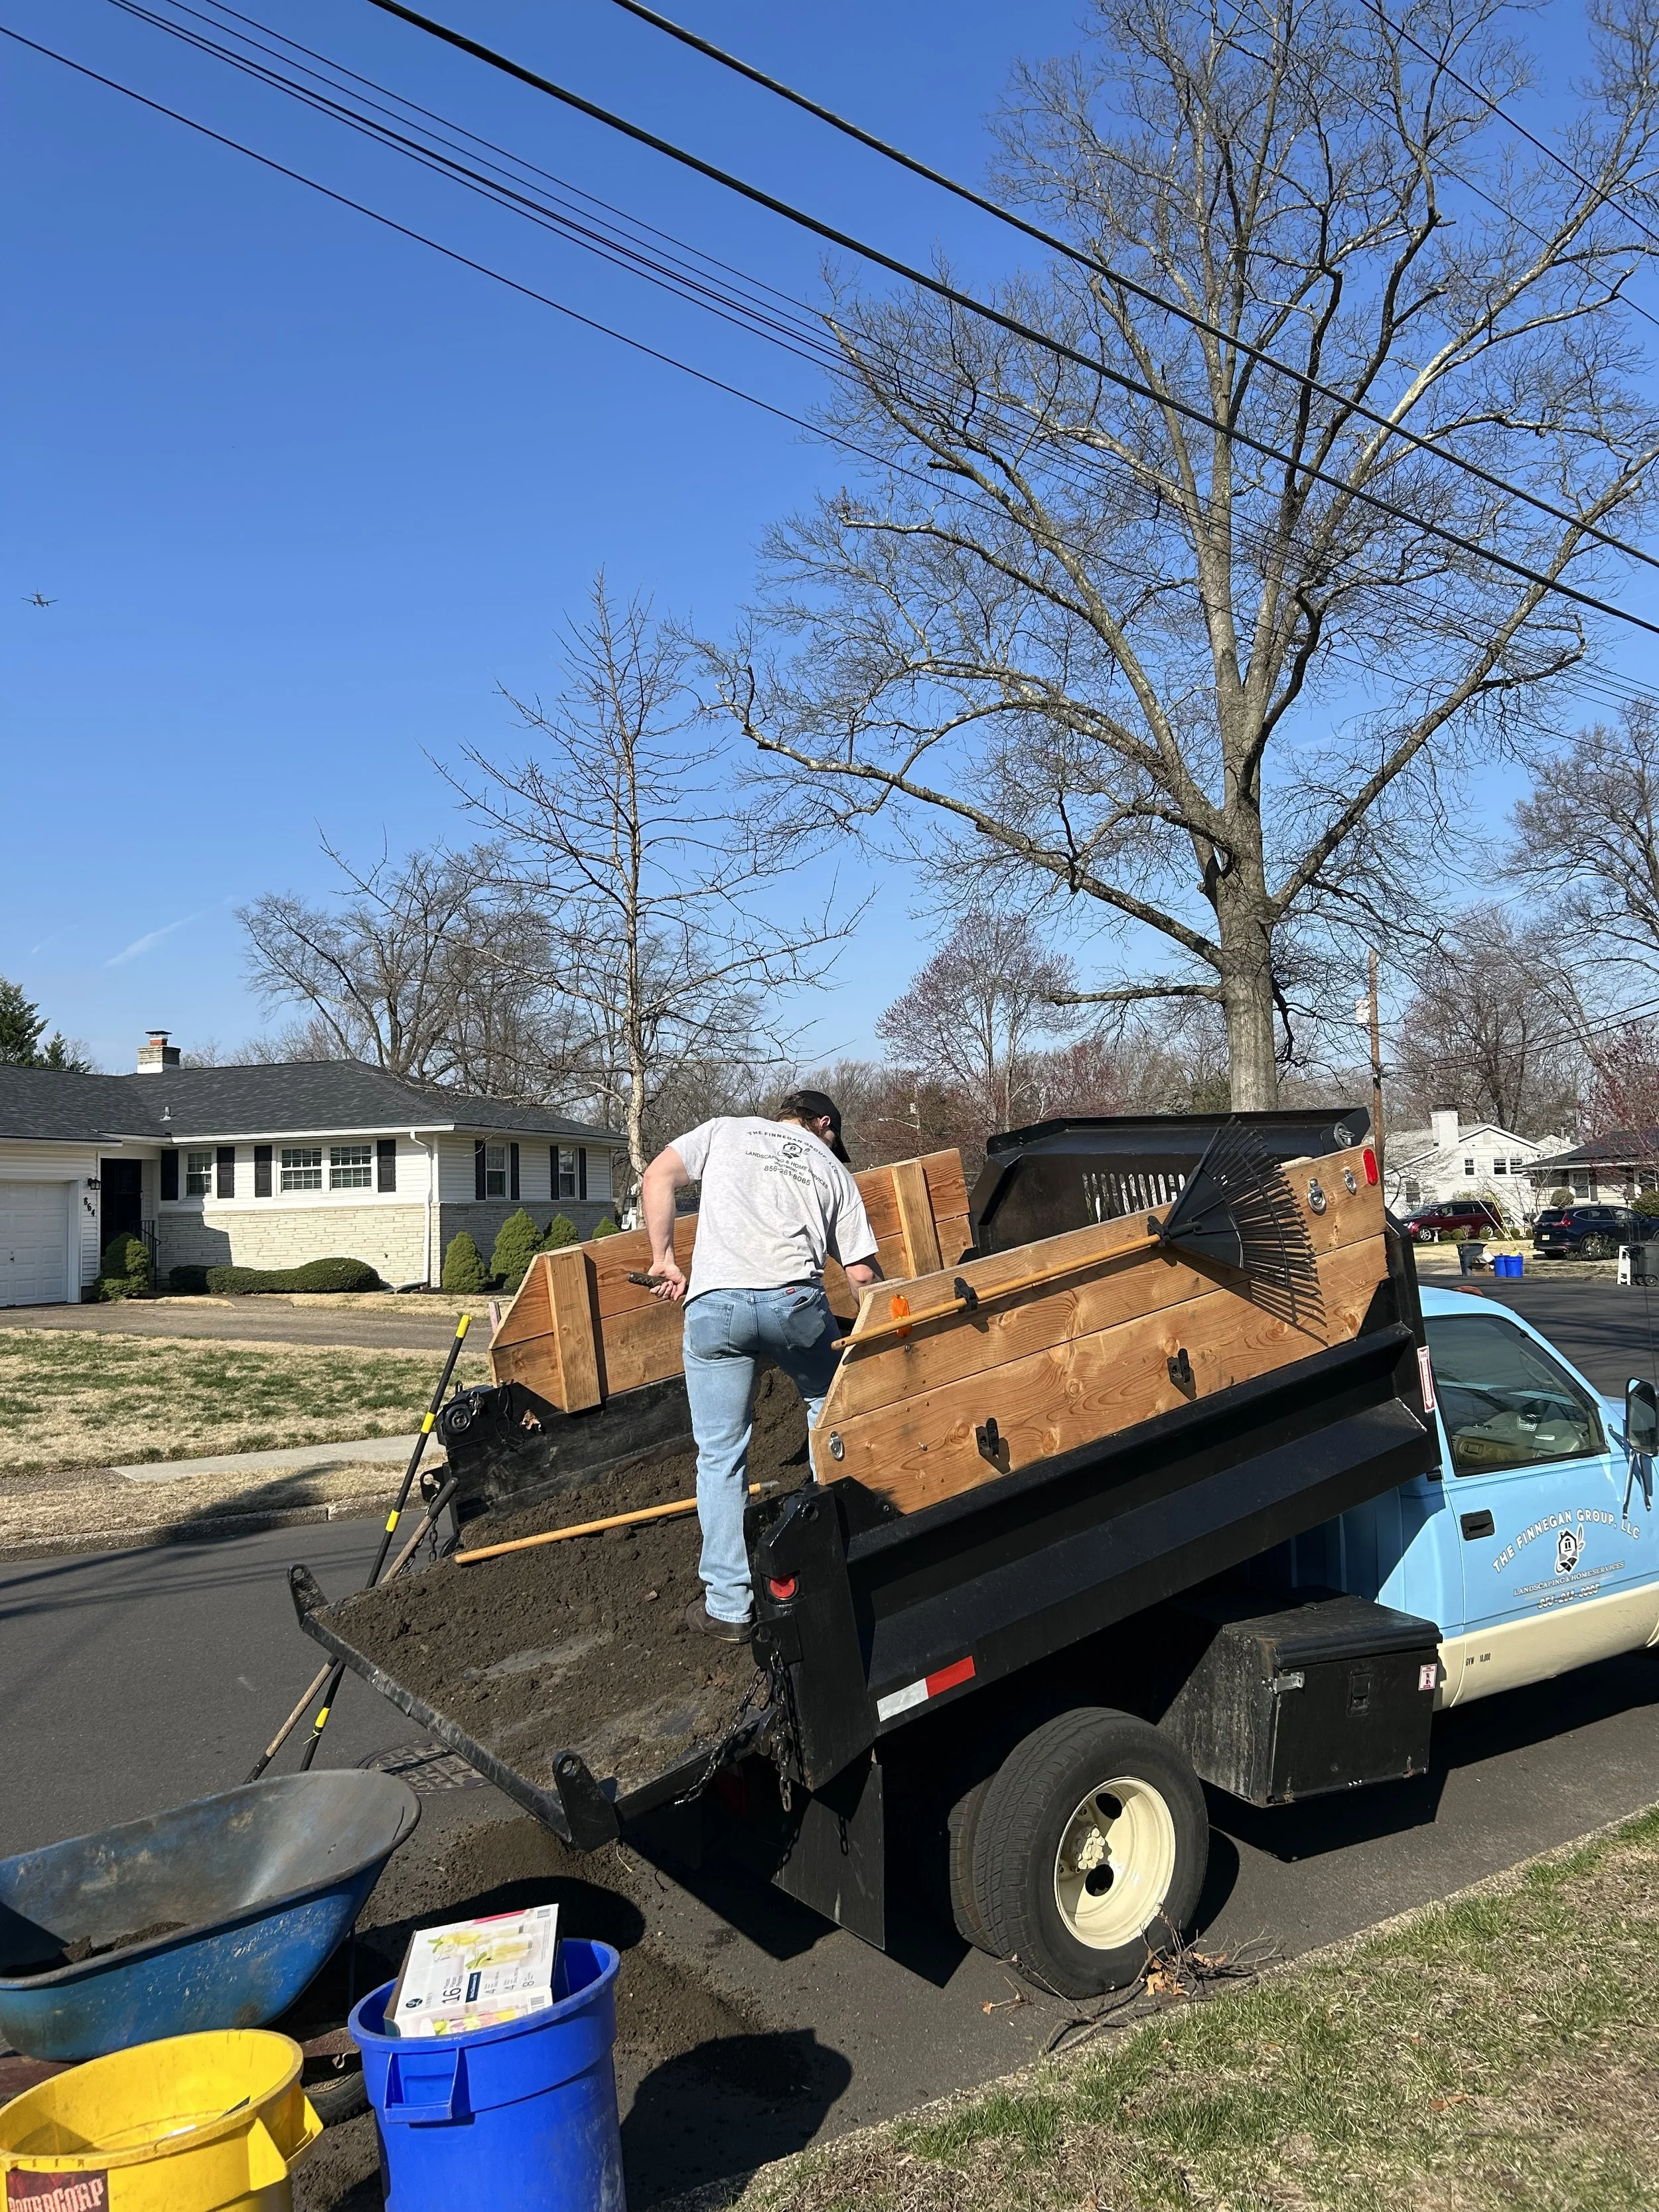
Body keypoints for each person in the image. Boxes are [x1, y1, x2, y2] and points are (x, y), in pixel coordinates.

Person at [641, 1089, 883, 1642]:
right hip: (793, 1303)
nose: (831, 1145)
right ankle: (833, 1565)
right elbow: (863, 1276)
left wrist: (665, 1259)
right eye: (832, 1137)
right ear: (824, 1124)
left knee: (721, 1454)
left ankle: (728, 1606)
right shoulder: (829, 1166)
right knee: (830, 1412)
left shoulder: (726, 1129)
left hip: (714, 1304)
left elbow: (657, 1176)